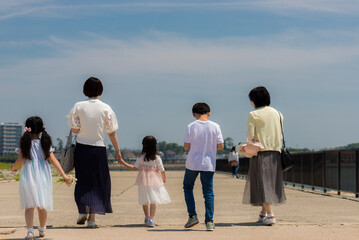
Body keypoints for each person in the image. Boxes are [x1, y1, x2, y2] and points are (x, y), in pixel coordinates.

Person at [67, 77, 123, 228]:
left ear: (85, 89)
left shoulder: (78, 106)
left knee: (81, 181)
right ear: (101, 90)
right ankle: (91, 220)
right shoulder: (106, 108)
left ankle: (81, 212)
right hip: (98, 149)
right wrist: (117, 151)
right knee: (97, 184)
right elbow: (111, 132)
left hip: (82, 149)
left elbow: (75, 129)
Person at [10, 116, 71, 239]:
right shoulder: (45, 144)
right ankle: (42, 229)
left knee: (29, 205)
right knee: (42, 205)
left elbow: (20, 159)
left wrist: (13, 168)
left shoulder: (25, 144)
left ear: (27, 128)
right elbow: (54, 161)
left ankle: (30, 231)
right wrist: (64, 175)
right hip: (42, 175)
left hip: (28, 175)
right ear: (42, 129)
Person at [242, 86, 286, 226]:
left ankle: (271, 215)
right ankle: (263, 213)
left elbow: (250, 136)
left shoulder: (253, 114)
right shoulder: (278, 113)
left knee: (263, 183)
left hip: (261, 152)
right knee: (269, 183)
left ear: (254, 100)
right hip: (276, 152)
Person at [183, 102, 224, 231]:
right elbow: (221, 146)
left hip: (192, 163)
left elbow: (186, 147)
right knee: (208, 192)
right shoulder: (215, 126)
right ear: (209, 113)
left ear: (195, 114)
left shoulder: (191, 126)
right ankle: (210, 222)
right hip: (209, 163)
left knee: (188, 187)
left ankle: (193, 216)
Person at [121, 136, 171, 227]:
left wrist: (123, 162)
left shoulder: (141, 157)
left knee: (144, 199)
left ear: (143, 145)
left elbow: (134, 168)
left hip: (143, 180)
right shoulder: (157, 157)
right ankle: (151, 218)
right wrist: (164, 178)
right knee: (153, 200)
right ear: (155, 146)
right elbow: (162, 170)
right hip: (155, 180)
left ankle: (147, 217)